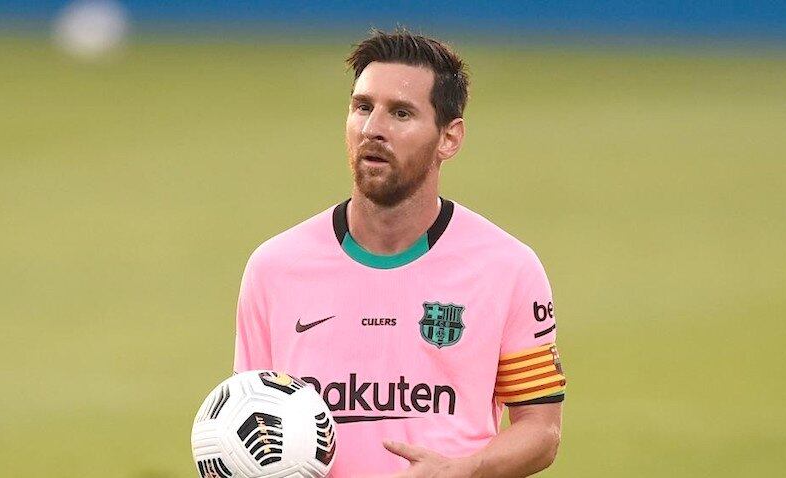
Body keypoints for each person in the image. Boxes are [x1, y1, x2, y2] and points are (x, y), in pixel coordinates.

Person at [233, 29, 566, 477]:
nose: (373, 129)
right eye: (362, 107)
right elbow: (249, 419)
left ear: (449, 138)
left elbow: (541, 430)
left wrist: (464, 469)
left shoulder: (507, 268)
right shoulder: (274, 268)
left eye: (401, 113)